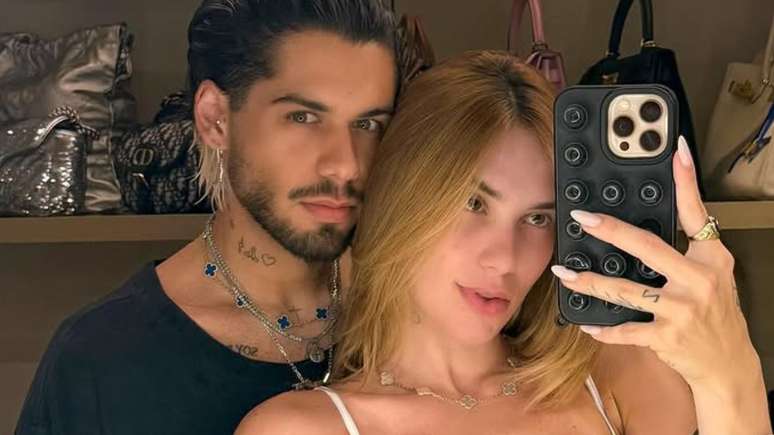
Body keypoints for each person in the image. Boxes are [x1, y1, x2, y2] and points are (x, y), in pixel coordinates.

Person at [236, 51, 772, 434]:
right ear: (402, 197)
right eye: (474, 203)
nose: (504, 259)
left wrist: (731, 371)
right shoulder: (301, 428)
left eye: (538, 218)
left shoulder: (620, 380)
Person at [15, 1, 399, 434]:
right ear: (215, 118)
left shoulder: (415, 318)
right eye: (303, 117)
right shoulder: (101, 361)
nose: (346, 165)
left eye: (368, 124)